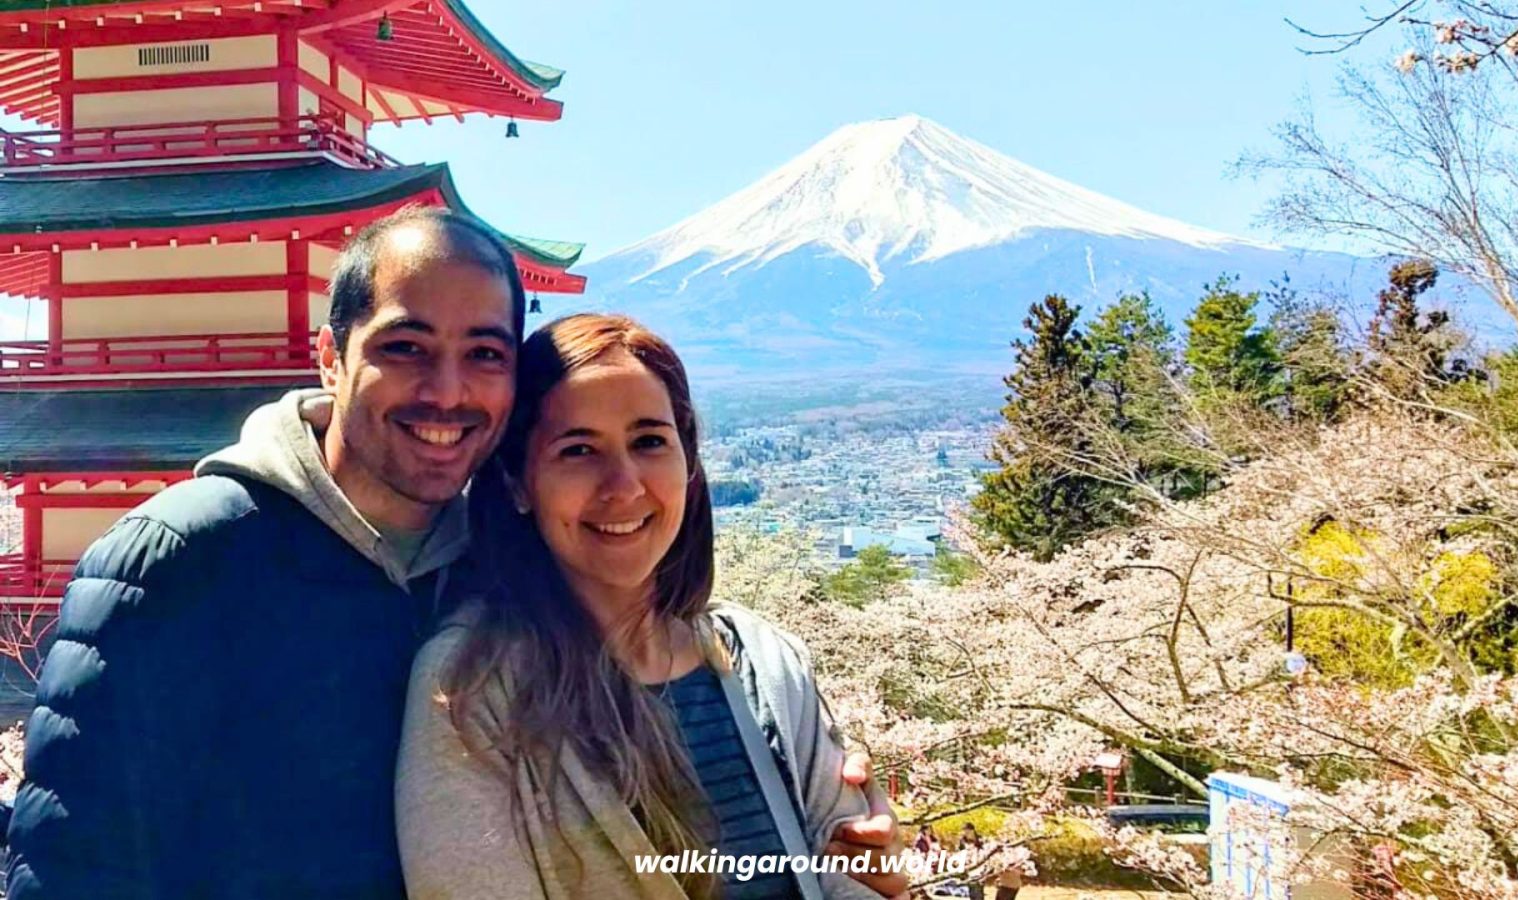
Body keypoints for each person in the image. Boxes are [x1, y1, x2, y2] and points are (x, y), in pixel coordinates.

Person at [5, 209, 898, 899]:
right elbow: (72, 867)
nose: (447, 391)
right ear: (330, 356)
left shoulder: (506, 579)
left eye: (484, 354)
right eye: (405, 348)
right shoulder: (184, 559)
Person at [396, 314, 905, 899]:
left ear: (689, 465)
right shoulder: (472, 690)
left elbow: (849, 877)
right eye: (578, 449)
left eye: (649, 442)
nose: (625, 484)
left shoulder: (766, 663)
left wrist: (878, 878)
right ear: (516, 482)